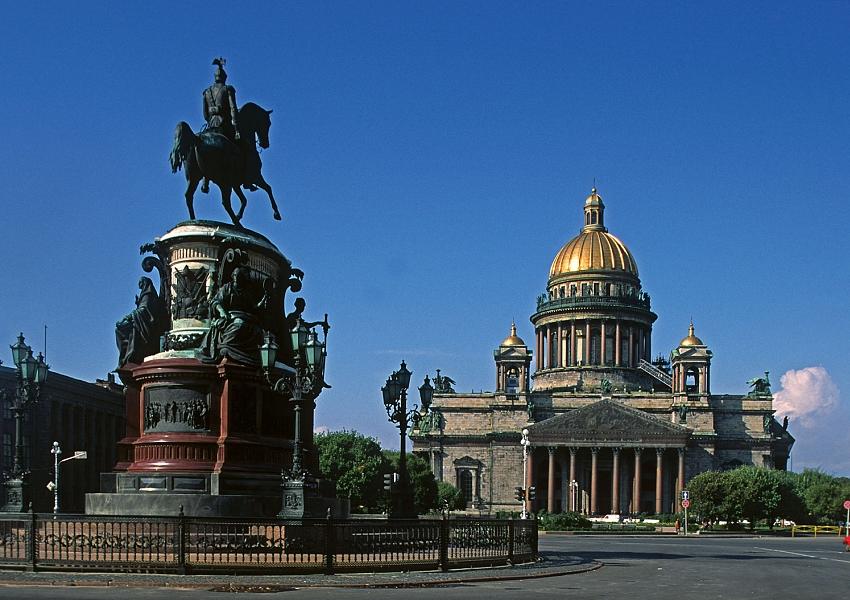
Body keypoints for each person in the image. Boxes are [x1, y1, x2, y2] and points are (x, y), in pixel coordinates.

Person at [201, 58, 240, 193]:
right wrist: (236, 128)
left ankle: (205, 179)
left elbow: (205, 114)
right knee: (241, 148)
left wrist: (211, 119)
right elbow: (233, 109)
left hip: (210, 125)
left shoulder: (206, 92)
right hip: (225, 126)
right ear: (224, 77)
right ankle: (244, 178)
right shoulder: (228, 89)